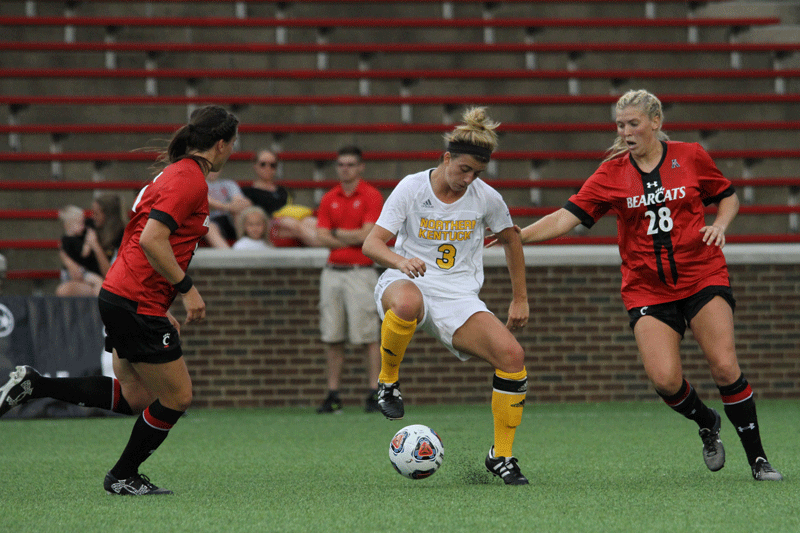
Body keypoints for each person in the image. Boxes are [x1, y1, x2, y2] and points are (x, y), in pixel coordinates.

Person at [501, 89, 781, 481]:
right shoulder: (612, 173)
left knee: (723, 364)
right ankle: (706, 421)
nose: (627, 132)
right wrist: (516, 236)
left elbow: (728, 197)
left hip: (702, 274)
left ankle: (758, 459)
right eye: (620, 125)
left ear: (656, 122)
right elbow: (568, 217)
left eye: (634, 124)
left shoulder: (692, 155)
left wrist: (719, 225)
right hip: (647, 287)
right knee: (665, 379)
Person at [0, 104, 240, 495]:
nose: (232, 152)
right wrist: (186, 289)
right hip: (135, 298)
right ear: (220, 144)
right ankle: (123, 476)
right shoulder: (190, 180)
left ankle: (35, 385)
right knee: (178, 396)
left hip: (122, 293)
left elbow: (141, 238)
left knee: (134, 396)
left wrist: (161, 308)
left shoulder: (175, 172)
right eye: (232, 144)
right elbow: (151, 240)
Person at [362, 108, 531, 485]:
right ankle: (388, 381)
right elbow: (372, 244)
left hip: (458, 295)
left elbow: (511, 238)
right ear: (446, 158)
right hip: (406, 280)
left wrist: (520, 298)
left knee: (512, 356)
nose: (468, 179)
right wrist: (401, 260)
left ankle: (501, 455)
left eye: (477, 173)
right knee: (406, 305)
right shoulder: (411, 187)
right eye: (463, 169)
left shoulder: (485, 197)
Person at [315, 146, 384, 414]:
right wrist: (348, 235)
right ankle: (333, 393)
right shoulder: (329, 197)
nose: (346, 169)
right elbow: (321, 236)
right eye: (341, 164)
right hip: (332, 271)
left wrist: (335, 232)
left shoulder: (370, 195)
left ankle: (374, 391)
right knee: (332, 335)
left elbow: (367, 235)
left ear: (360, 167)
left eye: (351, 164)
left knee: (368, 335)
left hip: (360, 271)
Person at [241, 149, 321, 247]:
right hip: (268, 225)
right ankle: (326, 249)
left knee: (312, 222)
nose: (267, 168)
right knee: (294, 225)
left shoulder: (283, 191)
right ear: (255, 166)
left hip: (287, 221)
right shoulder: (247, 191)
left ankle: (331, 247)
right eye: (263, 164)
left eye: (272, 165)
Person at [55, 205, 107, 297]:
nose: (83, 227)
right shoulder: (69, 241)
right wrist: (89, 242)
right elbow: (84, 253)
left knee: (98, 282)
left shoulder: (76, 237)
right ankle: (97, 303)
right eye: (80, 224)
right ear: (68, 226)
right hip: (79, 272)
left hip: (82, 271)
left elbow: (90, 223)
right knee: (98, 281)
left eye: (82, 223)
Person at [206, 170, 251, 248]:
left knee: (238, 213)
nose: (213, 169)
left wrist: (225, 207)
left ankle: (245, 248)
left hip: (229, 219)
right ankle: (228, 256)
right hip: (210, 221)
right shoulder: (198, 184)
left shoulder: (229, 183)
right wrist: (230, 207)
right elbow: (206, 201)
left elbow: (243, 203)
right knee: (208, 226)